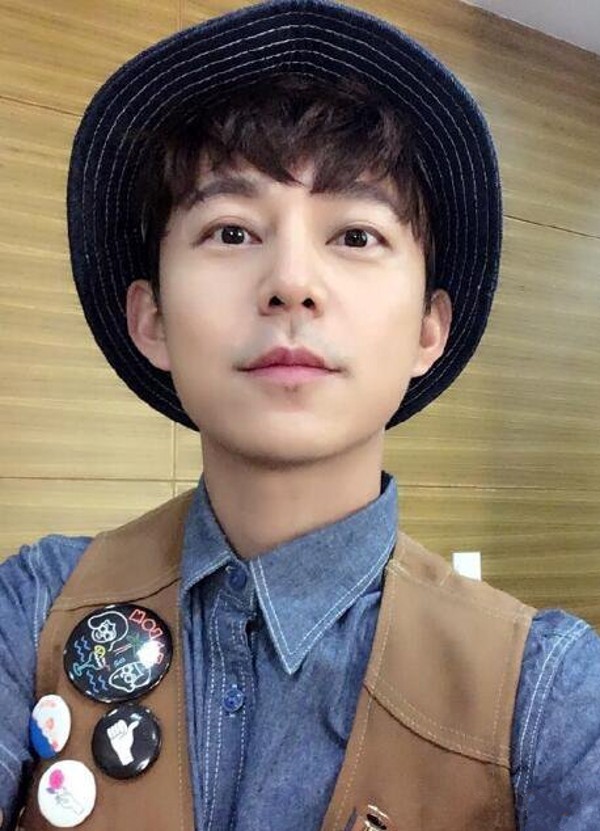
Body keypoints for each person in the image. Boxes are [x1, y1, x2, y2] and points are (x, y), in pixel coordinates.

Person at [1, 0, 599, 828]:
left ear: (428, 330)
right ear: (153, 319)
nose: (291, 281)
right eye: (231, 232)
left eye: (355, 236)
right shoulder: (35, 605)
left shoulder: (549, 694)